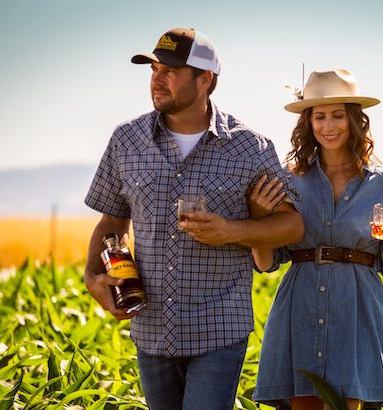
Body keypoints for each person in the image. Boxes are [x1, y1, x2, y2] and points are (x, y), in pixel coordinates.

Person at [83, 27, 303, 409]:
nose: (157, 78)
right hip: (150, 329)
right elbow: (111, 223)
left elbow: (292, 225)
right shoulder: (126, 140)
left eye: (170, 70)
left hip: (218, 329)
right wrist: (92, 278)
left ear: (205, 79)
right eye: (153, 69)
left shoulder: (250, 146)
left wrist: (232, 231)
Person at [249, 69, 383, 409]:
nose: (328, 126)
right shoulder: (289, 179)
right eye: (320, 116)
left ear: (355, 121)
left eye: (338, 116)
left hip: (357, 305)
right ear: (308, 123)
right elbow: (268, 262)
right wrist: (256, 219)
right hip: (299, 303)